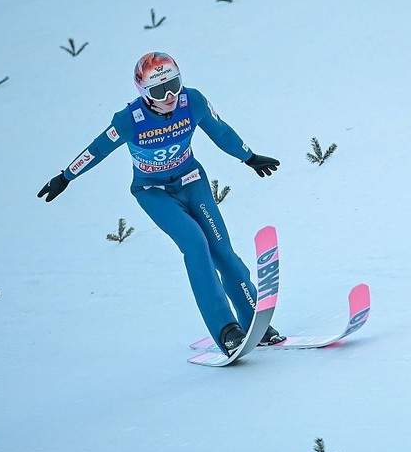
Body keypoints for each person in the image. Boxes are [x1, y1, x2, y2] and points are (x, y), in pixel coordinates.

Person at [38, 52, 285, 355]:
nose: (169, 96)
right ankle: (226, 329)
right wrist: (65, 177)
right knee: (195, 245)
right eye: (158, 91)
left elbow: (219, 131)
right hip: (153, 192)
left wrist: (249, 156)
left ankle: (252, 320)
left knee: (221, 248)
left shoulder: (192, 102)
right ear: (144, 93)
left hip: (192, 181)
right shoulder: (128, 121)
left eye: (174, 85)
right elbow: (98, 149)